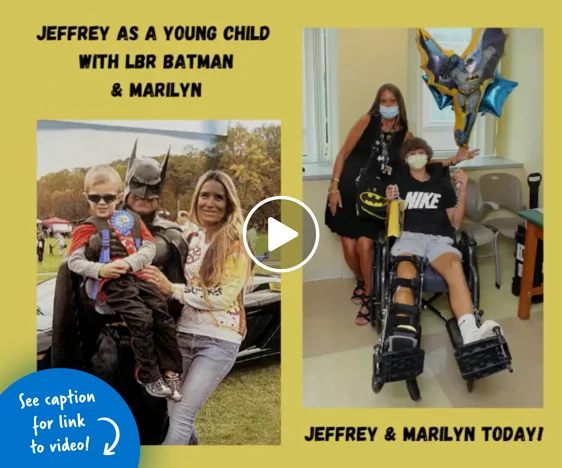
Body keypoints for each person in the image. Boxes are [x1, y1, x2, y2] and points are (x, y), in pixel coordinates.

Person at [50, 142, 191, 445]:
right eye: (136, 193)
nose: (142, 200)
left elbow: (168, 251)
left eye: (150, 195)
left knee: (151, 426)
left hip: (148, 346)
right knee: (107, 428)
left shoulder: (168, 234)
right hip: (107, 345)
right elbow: (73, 294)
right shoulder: (105, 224)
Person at [325, 83, 479, 326]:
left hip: (374, 197)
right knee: (348, 245)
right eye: (383, 101)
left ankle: (368, 295)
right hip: (346, 189)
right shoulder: (367, 120)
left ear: (399, 105)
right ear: (378, 103)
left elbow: (419, 160)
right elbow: (343, 153)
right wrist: (333, 186)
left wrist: (454, 159)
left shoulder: (405, 135)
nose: (388, 106)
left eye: (392, 102)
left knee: (365, 245)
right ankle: (364, 282)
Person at [142, 170, 252, 445]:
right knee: (176, 411)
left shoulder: (236, 241)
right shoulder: (187, 236)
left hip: (219, 341)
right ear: (196, 199)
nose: (210, 203)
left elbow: (224, 296)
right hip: (180, 336)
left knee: (181, 417)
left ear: (229, 204)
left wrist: (173, 289)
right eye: (205, 195)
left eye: (219, 197)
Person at [66, 164, 183, 400]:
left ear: (118, 197)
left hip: (143, 296)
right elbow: (73, 263)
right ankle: (149, 375)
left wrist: (133, 262)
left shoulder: (139, 223)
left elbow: (154, 252)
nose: (101, 202)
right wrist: (100, 267)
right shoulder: (87, 228)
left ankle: (168, 372)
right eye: (95, 197)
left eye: (108, 197)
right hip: (110, 315)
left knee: (160, 316)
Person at [384, 137, 504, 350]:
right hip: (410, 236)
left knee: (456, 267)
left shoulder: (441, 185)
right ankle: (402, 332)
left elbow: (456, 222)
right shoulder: (400, 181)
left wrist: (463, 190)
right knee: (406, 273)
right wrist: (389, 201)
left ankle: (470, 332)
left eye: (420, 153)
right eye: (411, 154)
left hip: (439, 238)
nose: (416, 157)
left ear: (427, 157)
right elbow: (390, 222)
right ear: (406, 158)